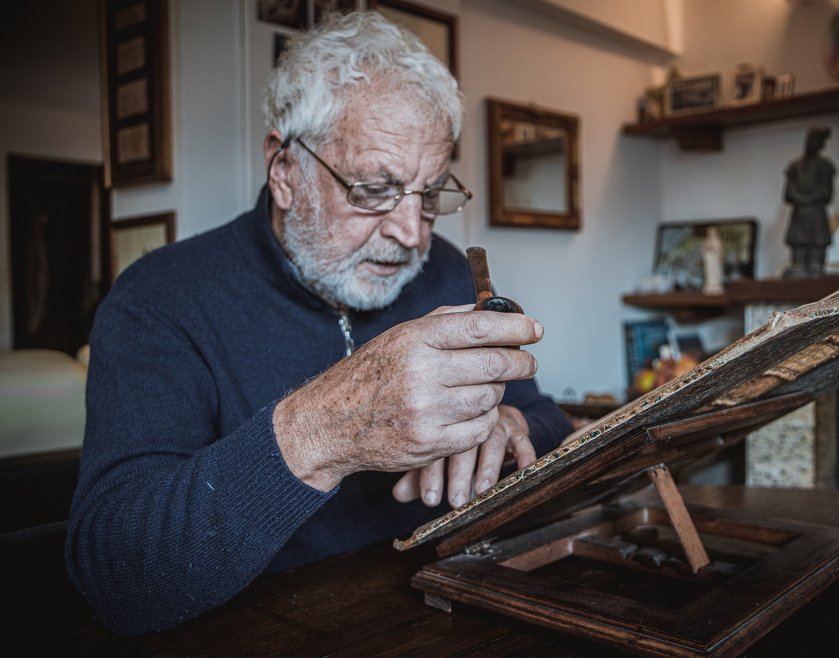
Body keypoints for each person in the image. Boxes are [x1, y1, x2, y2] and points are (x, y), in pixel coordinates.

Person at [65, 11, 573, 636]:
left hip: (445, 616)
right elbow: (116, 577)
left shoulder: (446, 270)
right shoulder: (158, 300)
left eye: (431, 193)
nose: (410, 234)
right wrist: (326, 429)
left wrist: (511, 424)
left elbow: (551, 421)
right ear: (284, 171)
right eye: (372, 190)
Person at [782, 126, 836, 277]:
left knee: (816, 259)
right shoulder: (795, 167)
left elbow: (827, 193)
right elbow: (788, 193)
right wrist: (801, 199)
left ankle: (814, 265)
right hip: (799, 215)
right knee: (798, 250)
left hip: (816, 216)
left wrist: (809, 198)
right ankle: (799, 265)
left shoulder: (825, 166)